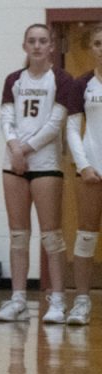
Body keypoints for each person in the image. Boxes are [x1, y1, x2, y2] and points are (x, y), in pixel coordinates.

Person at [0, 23, 74, 323]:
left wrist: (23, 150)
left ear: (52, 46)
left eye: (43, 41)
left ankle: (57, 300)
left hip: (45, 165)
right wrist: (14, 147)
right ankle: (17, 300)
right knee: (18, 235)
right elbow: (6, 116)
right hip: (12, 165)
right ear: (24, 45)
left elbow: (55, 124)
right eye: (32, 41)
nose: (38, 46)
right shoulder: (14, 80)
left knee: (51, 236)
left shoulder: (62, 79)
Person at [65, 23, 102, 325]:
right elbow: (72, 130)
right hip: (91, 171)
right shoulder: (82, 84)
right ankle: (81, 301)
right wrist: (83, 165)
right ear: (91, 47)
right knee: (86, 236)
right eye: (99, 43)